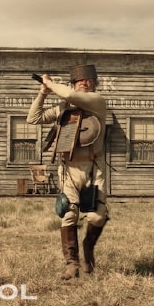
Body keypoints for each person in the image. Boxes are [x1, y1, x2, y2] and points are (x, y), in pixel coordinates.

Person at [27, 64, 109, 280]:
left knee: (97, 216)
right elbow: (33, 118)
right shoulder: (63, 108)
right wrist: (43, 93)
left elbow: (71, 95)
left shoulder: (97, 102)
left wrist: (49, 82)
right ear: (73, 83)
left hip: (93, 170)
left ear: (94, 84)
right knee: (69, 214)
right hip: (68, 170)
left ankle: (88, 248)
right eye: (79, 80)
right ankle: (72, 264)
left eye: (88, 80)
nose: (84, 83)